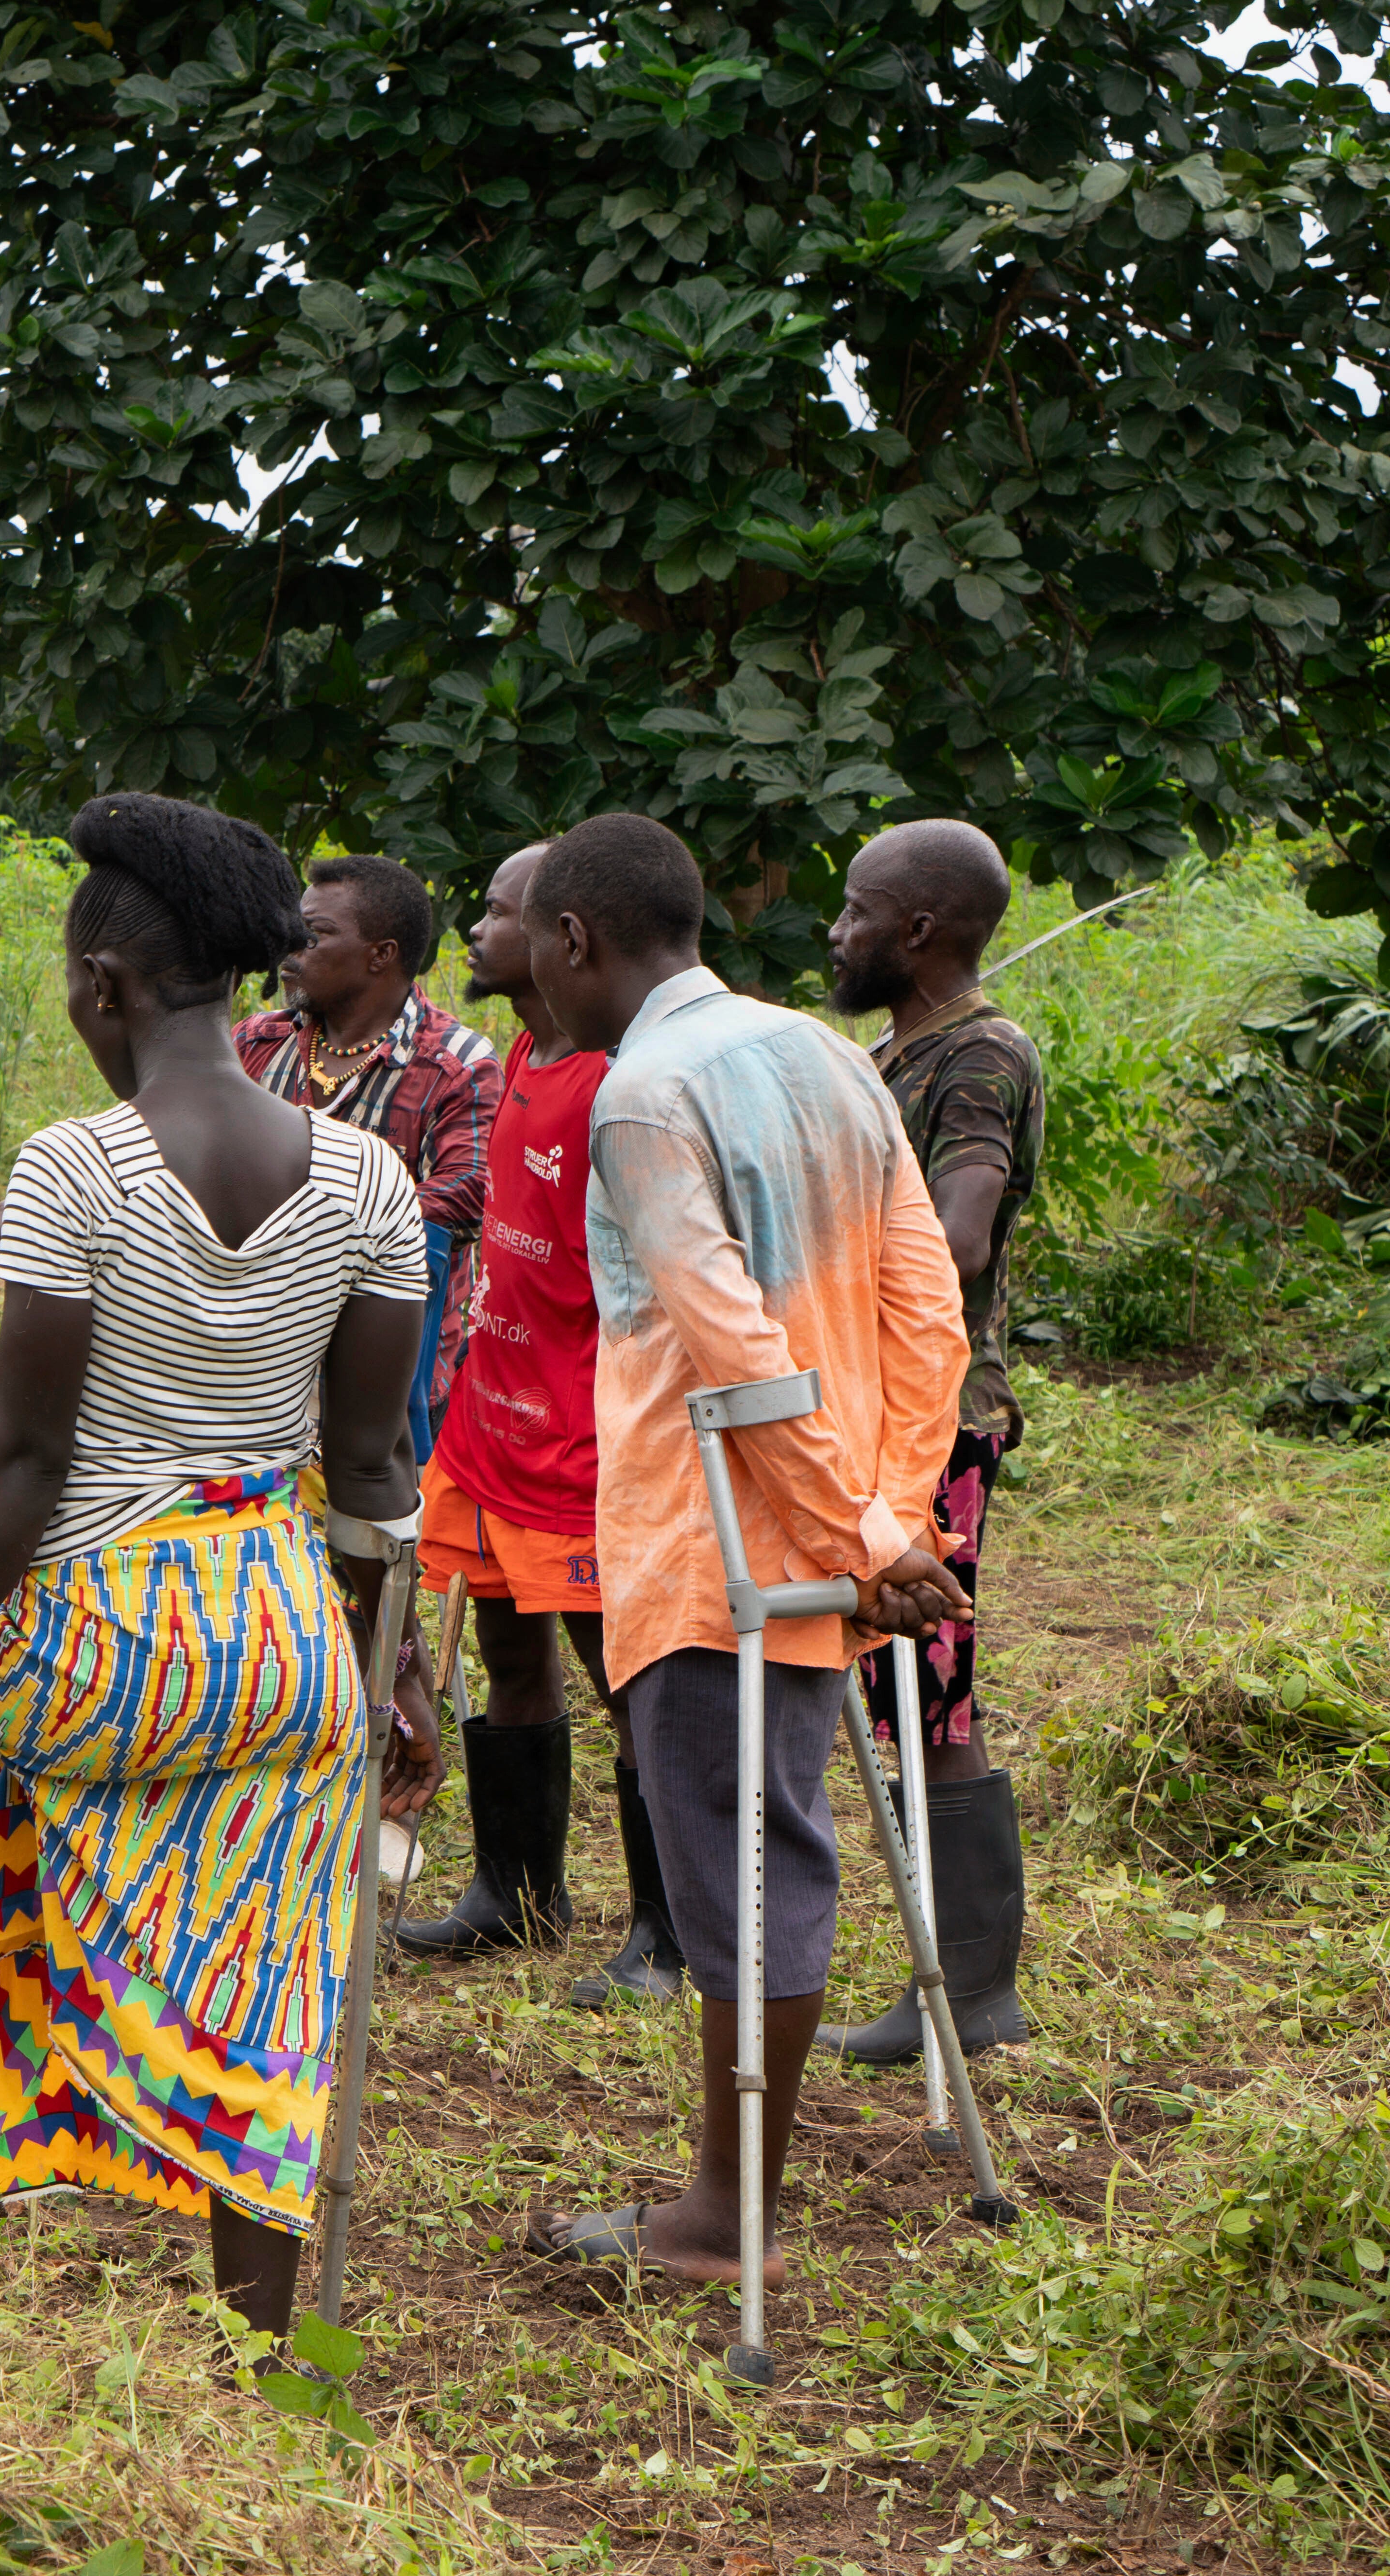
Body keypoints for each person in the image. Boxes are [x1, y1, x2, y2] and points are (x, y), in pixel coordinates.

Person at [0, 791, 431, 2344]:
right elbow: (369, 1474)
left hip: (100, 1656)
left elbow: (23, 1466)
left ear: (104, 981)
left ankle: (65, 2071)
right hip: (292, 1639)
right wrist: (393, 1675)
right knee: (273, 1953)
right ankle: (253, 2333)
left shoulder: (75, 1170)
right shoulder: (370, 1182)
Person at [518, 812, 968, 2287]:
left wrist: (858, 1527)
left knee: (744, 1858)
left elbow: (727, 1349)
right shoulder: (826, 1053)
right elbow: (923, 1309)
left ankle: (721, 2218)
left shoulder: (640, 1095)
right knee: (766, 1834)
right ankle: (727, 2194)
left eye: (531, 937)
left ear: (578, 939)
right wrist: (889, 1520)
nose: (518, 962)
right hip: (832, 1526)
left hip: (712, 1539)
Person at [393, 843, 681, 1998]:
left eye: (500, 910)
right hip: (490, 1421)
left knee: (628, 1680)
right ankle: (517, 1893)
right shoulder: (520, 1047)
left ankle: (669, 1930)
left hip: (585, 1441)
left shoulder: (622, 1083)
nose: (475, 928)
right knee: (507, 1651)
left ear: (565, 933)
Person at [819, 818, 1042, 2060]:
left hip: (935, 1418)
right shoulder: (904, 1052)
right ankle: (952, 1982)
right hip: (885, 1405)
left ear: (918, 930)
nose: (837, 931)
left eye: (857, 911)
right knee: (905, 1691)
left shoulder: (979, 1062)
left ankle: (969, 1990)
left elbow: (956, 1239)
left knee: (930, 1695)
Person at [234, 852, 500, 1464]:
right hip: (254, 1352)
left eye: (316, 935)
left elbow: (468, 1194)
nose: (290, 949)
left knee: (371, 1530)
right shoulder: (258, 1042)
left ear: (380, 954)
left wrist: (306, 1217)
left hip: (386, 1364)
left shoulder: (456, 1063)